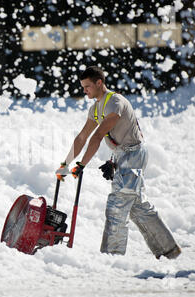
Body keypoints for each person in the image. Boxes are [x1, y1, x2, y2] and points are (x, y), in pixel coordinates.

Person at [56, 66, 181, 259]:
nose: (85, 91)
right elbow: (82, 137)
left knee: (117, 204)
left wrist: (81, 165)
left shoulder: (115, 102)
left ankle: (111, 256)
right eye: (83, 87)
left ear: (99, 83)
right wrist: (65, 165)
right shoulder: (95, 108)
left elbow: (97, 136)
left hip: (133, 154)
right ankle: (168, 249)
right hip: (121, 155)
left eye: (88, 86)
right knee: (137, 205)